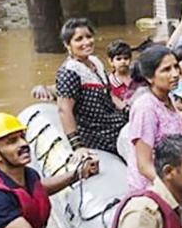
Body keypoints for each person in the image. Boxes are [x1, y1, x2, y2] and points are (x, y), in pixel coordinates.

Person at [119, 46, 182, 193]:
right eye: (166, 70)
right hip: (153, 188)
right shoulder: (146, 108)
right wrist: (175, 193)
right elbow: (144, 166)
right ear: (150, 77)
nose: (175, 74)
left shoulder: (169, 99)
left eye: (176, 67)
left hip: (173, 178)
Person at [55, 18, 129, 156]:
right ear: (67, 45)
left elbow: (109, 94)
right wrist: (77, 146)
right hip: (97, 134)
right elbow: (64, 110)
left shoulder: (95, 62)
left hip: (113, 122)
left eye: (89, 37)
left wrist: (127, 109)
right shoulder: (70, 72)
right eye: (79, 39)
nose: (86, 42)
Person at [107, 40, 141, 107]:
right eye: (118, 59)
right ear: (111, 62)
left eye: (126, 58)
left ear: (130, 59)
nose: (123, 61)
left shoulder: (137, 76)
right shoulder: (110, 83)